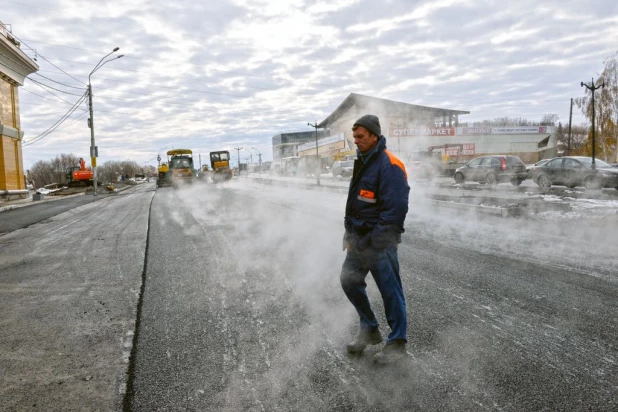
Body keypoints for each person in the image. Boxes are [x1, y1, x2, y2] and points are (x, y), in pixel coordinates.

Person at [340, 114, 410, 365]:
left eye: (360, 136)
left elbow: (396, 209)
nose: (355, 141)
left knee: (391, 291)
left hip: (380, 242)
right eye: (354, 136)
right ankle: (369, 328)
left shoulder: (390, 165)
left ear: (374, 135)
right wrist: (349, 233)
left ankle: (397, 343)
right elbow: (355, 203)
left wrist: (377, 241)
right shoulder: (364, 161)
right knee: (349, 281)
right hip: (358, 239)